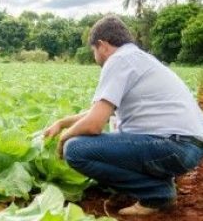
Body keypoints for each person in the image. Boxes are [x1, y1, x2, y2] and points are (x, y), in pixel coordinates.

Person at [44, 16, 203, 215]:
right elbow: (97, 112)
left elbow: (94, 124)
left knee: (75, 149)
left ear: (102, 45)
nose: (95, 56)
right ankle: (156, 184)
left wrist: (63, 138)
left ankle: (157, 193)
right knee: (108, 132)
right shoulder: (136, 58)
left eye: (93, 50)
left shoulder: (118, 60)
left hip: (172, 146)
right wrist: (62, 123)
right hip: (186, 147)